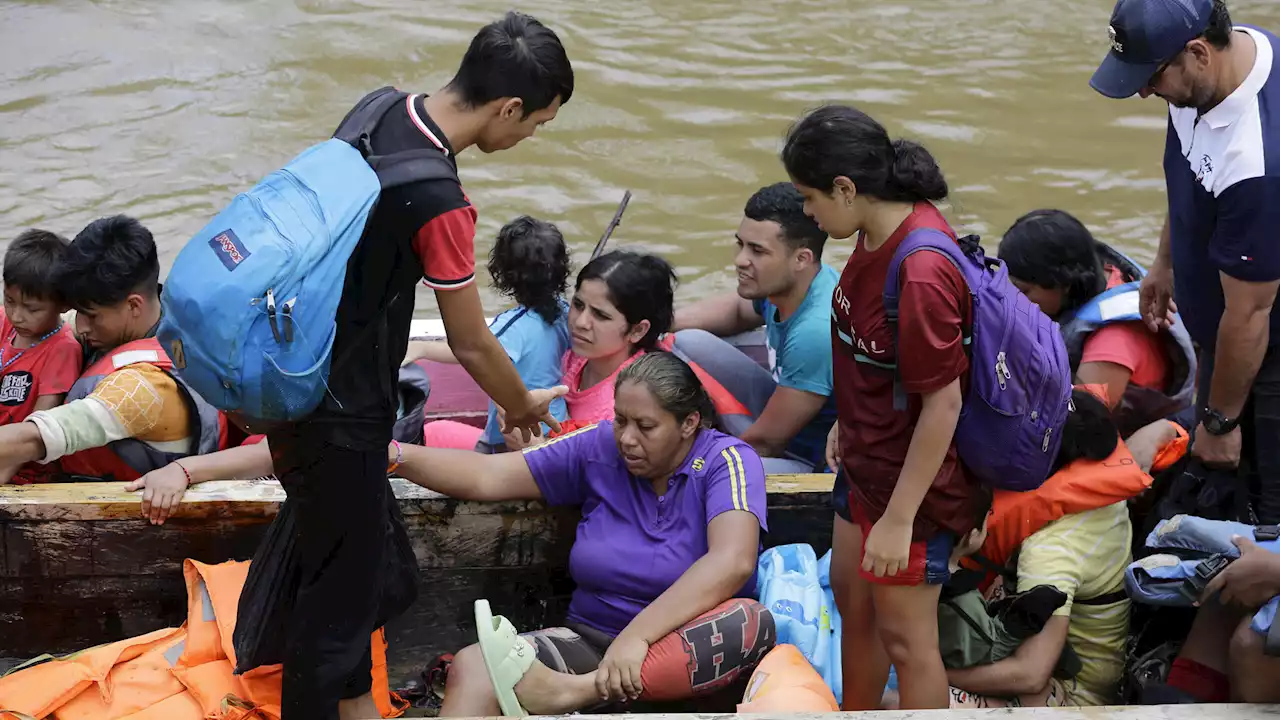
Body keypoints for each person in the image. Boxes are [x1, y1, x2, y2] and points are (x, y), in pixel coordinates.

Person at [241, 13, 574, 719]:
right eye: (535, 124)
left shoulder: (379, 107)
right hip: (343, 413)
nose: (527, 138)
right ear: (507, 108)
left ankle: (361, 707)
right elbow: (472, 342)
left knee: (366, 570)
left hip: (292, 374)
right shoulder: (440, 200)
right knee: (337, 609)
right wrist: (522, 407)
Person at [129, 352, 776, 714]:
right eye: (623, 422)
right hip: (594, 639)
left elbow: (729, 562)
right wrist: (396, 456)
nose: (628, 439)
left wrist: (638, 638)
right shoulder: (600, 448)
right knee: (471, 668)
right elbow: (490, 478)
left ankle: (572, 696)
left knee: (749, 620)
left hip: (686, 649)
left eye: (647, 427)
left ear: (690, 424)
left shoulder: (724, 461)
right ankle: (574, 686)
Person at [781, 104, 986, 710]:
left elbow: (943, 405)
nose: (806, 213)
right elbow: (875, 349)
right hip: (866, 460)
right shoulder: (872, 232)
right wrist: (850, 414)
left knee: (906, 637)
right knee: (852, 597)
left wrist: (899, 521)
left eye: (809, 198)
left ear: (846, 189)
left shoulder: (921, 270)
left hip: (912, 487)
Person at [1090, 0, 1280, 523]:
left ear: (1197, 52)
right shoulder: (1214, 70)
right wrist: (1164, 264)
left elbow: (1250, 317)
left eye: (1150, 78)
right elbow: (1192, 174)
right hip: (1222, 324)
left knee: (1259, 507)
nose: (1146, 92)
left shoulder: (1258, 159)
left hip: (1263, 352)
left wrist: (1219, 423)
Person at [943, 389, 1134, 708]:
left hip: (1073, 693)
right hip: (1085, 660)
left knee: (896, 700)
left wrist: (930, 669)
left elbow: (1031, 673)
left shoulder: (1049, 552)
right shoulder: (1097, 482)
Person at [0, 216, 224, 485]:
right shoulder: (156, 317)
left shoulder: (143, 388)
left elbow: (39, 436)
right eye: (76, 311)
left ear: (133, 306)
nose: (80, 326)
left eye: (90, 316)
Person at [672, 182, 839, 473]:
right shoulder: (789, 284)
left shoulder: (816, 330)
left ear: (802, 258)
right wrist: (654, 321)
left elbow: (766, 442)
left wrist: (683, 457)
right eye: (741, 245)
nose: (740, 260)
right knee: (683, 341)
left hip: (810, 459)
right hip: (782, 407)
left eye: (757, 251)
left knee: (719, 472)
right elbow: (738, 311)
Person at [997, 209, 1196, 435]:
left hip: (1129, 441)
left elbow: (1081, 427)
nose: (1013, 300)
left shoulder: (1114, 339)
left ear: (1065, 283)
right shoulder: (1101, 269)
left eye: (1023, 291)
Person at [404, 215, 572, 453]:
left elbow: (474, 349)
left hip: (513, 434)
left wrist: (422, 348)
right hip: (558, 424)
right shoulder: (566, 313)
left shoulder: (513, 326)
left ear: (503, 272)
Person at [499, 249, 677, 450]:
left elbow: (606, 479)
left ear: (637, 330)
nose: (580, 322)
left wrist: (535, 449)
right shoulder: (573, 348)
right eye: (578, 304)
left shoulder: (628, 407)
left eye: (600, 315)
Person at [0, 229, 82, 484]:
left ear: (64, 304)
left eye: (32, 308)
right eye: (10, 300)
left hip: (22, 472)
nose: (17, 316)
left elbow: (38, 427)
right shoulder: (4, 322)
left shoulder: (62, 350)